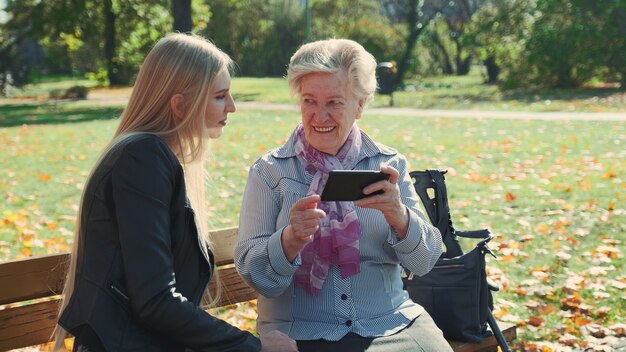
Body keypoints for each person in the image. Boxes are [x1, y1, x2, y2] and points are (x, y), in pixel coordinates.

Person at [53, 33, 298, 352]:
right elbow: (156, 300)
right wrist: (256, 348)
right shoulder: (143, 159)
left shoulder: (150, 156)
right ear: (180, 105)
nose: (232, 107)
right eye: (220, 96)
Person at [234, 38, 452, 352]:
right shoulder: (270, 172)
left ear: (360, 104)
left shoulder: (388, 165)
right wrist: (291, 239)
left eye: (334, 102)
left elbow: (425, 261)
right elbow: (258, 278)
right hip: (301, 331)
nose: (319, 116)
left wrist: (399, 217)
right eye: (310, 101)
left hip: (390, 323)